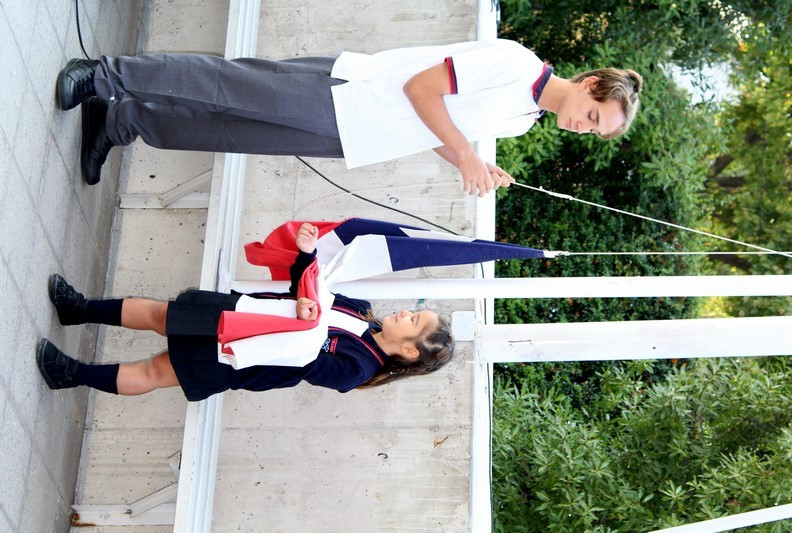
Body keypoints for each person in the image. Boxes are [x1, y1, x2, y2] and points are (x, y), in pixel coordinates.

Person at [56, 39, 642, 195]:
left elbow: (433, 130)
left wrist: (471, 164)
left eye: (596, 131)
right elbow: (421, 90)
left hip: (354, 136)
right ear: (591, 84)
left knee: (227, 132)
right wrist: (467, 153)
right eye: (594, 115)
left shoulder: (521, 118)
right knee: (223, 85)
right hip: (345, 94)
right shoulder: (515, 65)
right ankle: (103, 75)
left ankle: (118, 123)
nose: (585, 128)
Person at [37, 223, 454, 401]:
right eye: (415, 312)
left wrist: (308, 317)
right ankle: (79, 309)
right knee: (158, 314)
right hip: (240, 311)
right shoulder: (362, 312)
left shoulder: (357, 370)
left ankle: (71, 375)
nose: (405, 313)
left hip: (238, 358)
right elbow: (305, 291)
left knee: (155, 370)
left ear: (410, 350)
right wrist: (307, 255)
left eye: (414, 321)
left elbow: (305, 359)